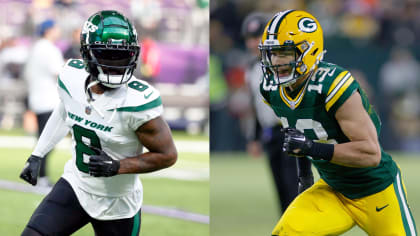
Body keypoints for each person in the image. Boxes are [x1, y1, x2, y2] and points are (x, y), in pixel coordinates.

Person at [258, 10, 417, 235]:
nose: (276, 61)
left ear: (309, 50)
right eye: (271, 53)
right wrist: (305, 176)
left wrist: (312, 148)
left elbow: (371, 153)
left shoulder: (333, 85)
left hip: (376, 189)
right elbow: (298, 135)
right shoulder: (271, 89)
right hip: (333, 188)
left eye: (284, 52)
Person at [20, 10, 177, 236]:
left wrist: (118, 166)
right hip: (76, 185)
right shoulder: (71, 78)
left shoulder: (138, 101)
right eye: (107, 55)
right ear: (87, 54)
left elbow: (168, 155)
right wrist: (38, 153)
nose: (116, 65)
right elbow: (65, 110)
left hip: (119, 203)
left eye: (122, 56)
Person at [241, 12, 312, 213]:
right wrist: (254, 136)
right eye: (249, 38)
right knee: (280, 188)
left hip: (291, 131)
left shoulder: (284, 63)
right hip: (271, 133)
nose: (253, 43)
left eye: (257, 37)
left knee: (295, 187)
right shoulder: (251, 68)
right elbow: (257, 104)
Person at [23, 19, 65, 187]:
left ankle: (39, 175)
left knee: (43, 139)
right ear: (49, 30)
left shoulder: (35, 48)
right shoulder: (49, 49)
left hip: (38, 97)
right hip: (48, 99)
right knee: (47, 141)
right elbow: (59, 72)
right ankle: (40, 176)